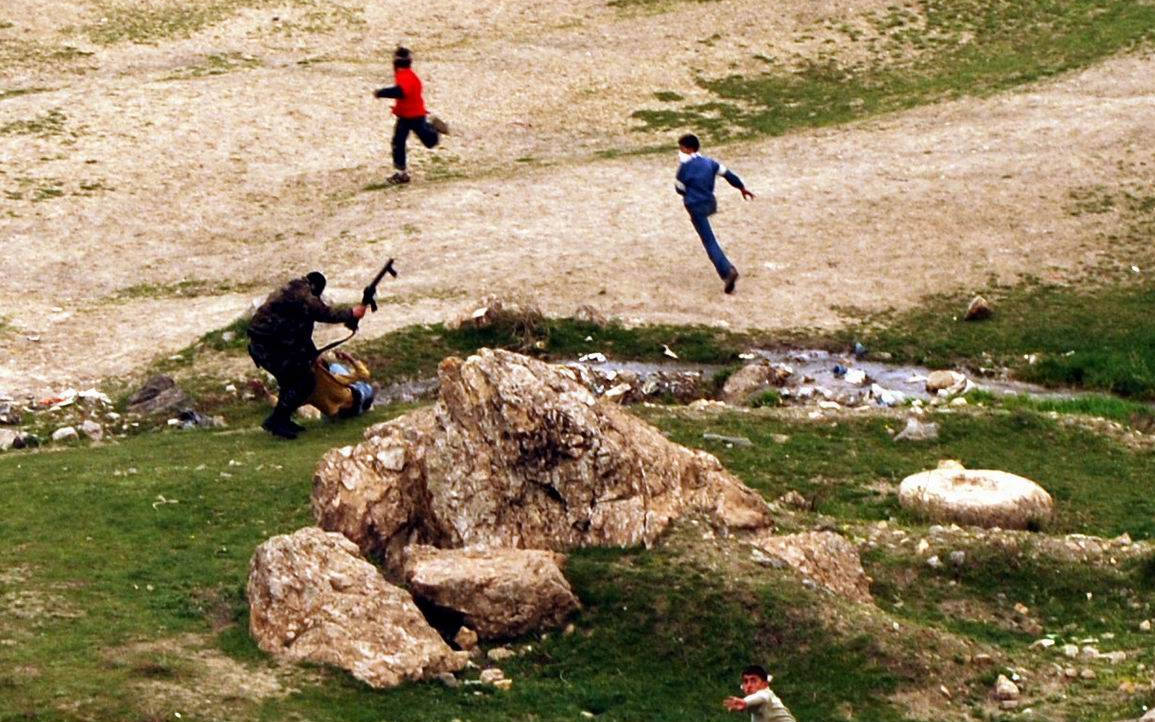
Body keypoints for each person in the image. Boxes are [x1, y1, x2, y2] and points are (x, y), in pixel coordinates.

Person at [247, 272, 366, 439]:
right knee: (304, 382)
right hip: (269, 348)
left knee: (290, 382)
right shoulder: (304, 296)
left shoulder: (291, 290)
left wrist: (312, 354)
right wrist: (352, 313)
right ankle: (276, 421)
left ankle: (282, 420)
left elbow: (301, 333)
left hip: (266, 346)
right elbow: (325, 314)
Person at [674, 133, 755, 294]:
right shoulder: (710, 163)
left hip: (694, 205)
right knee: (708, 233)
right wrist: (741, 188)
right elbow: (729, 175)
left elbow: (679, 189)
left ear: (688, 149)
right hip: (709, 203)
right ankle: (726, 271)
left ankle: (727, 271)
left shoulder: (684, 168)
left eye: (682, 148)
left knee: (709, 240)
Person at [373, 46, 449, 185]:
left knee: (429, 141)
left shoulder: (405, 76)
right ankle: (401, 173)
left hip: (414, 115)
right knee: (398, 142)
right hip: (406, 115)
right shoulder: (406, 75)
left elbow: (401, 92)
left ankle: (434, 128)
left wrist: (381, 92)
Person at [306, 350, 377, 419]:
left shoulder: (306, 388)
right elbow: (364, 374)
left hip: (334, 415)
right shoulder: (334, 378)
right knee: (366, 386)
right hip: (352, 407)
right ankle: (367, 401)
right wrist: (349, 358)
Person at [723, 664, 797, 722]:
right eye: (746, 681)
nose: (748, 686)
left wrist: (745, 702)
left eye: (753, 681)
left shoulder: (766, 695)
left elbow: (761, 697)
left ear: (765, 684)